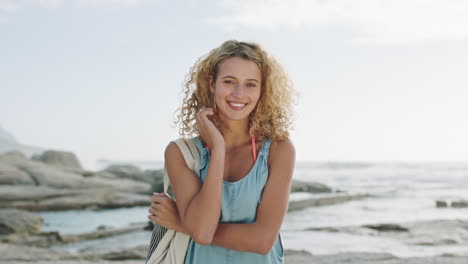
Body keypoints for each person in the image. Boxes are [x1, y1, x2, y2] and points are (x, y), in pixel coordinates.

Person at [148, 40, 296, 264]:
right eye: (229, 81)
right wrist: (218, 150)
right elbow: (201, 230)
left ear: (262, 90)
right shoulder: (181, 153)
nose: (239, 93)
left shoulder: (278, 150)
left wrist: (181, 224)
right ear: (212, 84)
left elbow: (262, 240)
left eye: (250, 84)